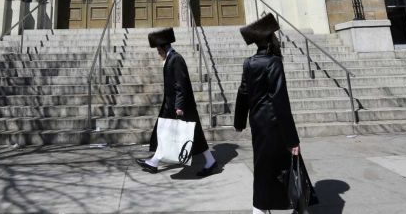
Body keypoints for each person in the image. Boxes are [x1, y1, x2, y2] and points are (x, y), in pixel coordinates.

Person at [234, 14, 317, 213]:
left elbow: (243, 92)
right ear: (270, 40)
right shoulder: (273, 62)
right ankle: (276, 206)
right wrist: (292, 139)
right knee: (286, 166)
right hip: (274, 124)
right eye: (274, 36)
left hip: (258, 124)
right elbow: (280, 101)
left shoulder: (249, 62)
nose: (277, 39)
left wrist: (239, 121)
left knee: (264, 166)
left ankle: (274, 207)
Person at [136, 27, 218, 176]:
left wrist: (179, 106)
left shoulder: (176, 59)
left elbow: (181, 84)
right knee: (166, 132)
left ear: (163, 47)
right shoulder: (170, 58)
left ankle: (211, 161)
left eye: (158, 49)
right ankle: (154, 161)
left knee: (194, 134)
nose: (157, 52)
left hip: (180, 105)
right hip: (172, 104)